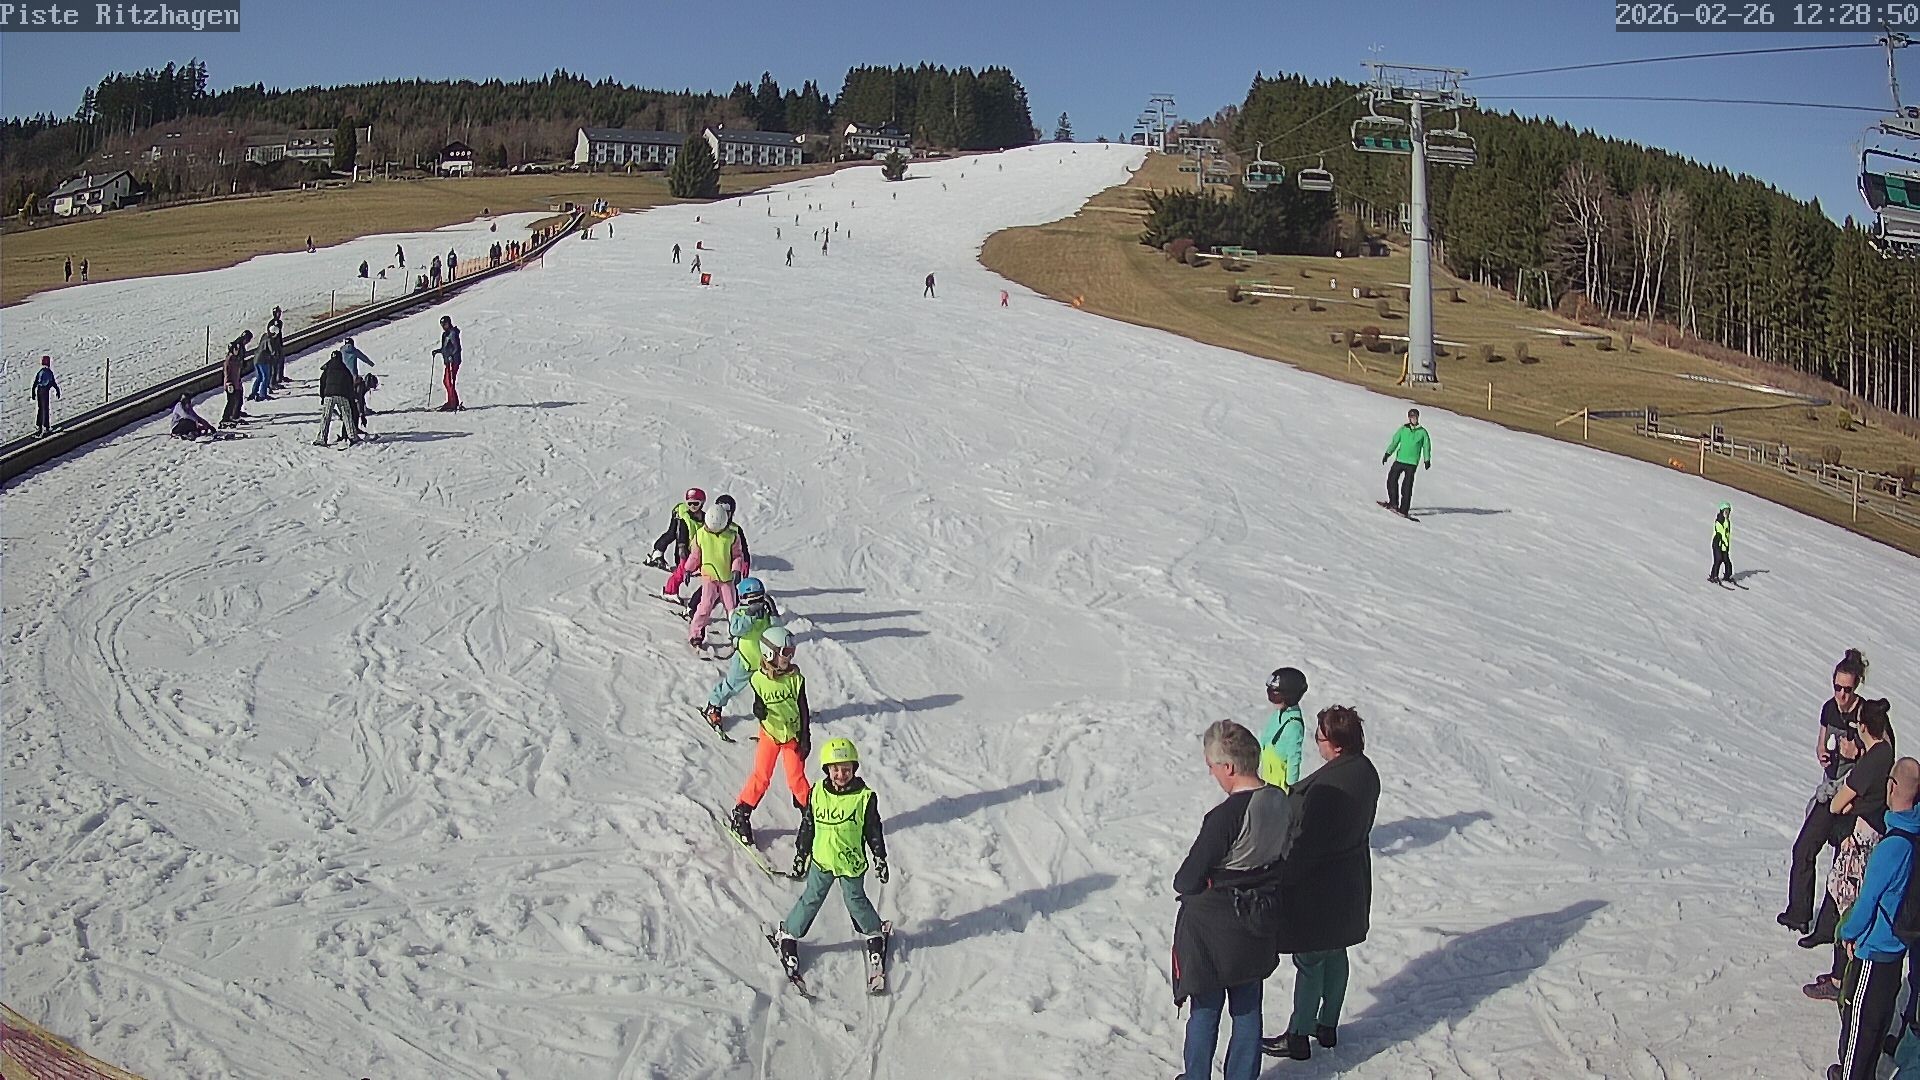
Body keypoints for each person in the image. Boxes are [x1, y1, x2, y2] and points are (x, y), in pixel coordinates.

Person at [1172, 720, 1287, 1080]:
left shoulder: (1225, 816)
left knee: (1206, 1009)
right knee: (1248, 1007)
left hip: (1215, 928)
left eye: (1213, 766)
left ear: (1230, 767)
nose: (1212, 773)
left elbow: (1186, 879)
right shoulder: (1279, 800)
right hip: (1259, 918)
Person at [1265, 705, 1382, 1062]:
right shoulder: (1366, 772)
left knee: (1311, 959)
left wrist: (1282, 879)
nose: (1316, 742)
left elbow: (1305, 846)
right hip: (1350, 882)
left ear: (1336, 744)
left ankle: (1298, 1035)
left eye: (1320, 737)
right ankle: (1327, 1025)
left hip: (1319, 888)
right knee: (1336, 952)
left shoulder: (1325, 788)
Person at [1832, 757, 1920, 1080]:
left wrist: (1847, 933)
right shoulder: (1915, 836)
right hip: (1897, 949)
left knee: (1859, 1031)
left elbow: (1867, 902)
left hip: (1874, 950)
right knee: (1879, 1023)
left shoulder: (1891, 846)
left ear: (1892, 787)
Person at [1807, 698, 1897, 1002]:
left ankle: (1840, 979)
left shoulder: (1871, 761)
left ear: (1863, 727)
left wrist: (1847, 805)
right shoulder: (1886, 752)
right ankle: (1842, 974)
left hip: (1859, 844)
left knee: (1845, 906)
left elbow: (1836, 803)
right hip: (1873, 835)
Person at [774, 738, 890, 968]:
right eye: (835, 769)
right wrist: (801, 854)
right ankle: (788, 933)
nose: (840, 774)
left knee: (855, 900)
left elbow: (873, 830)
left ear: (854, 769)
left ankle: (874, 932)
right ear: (827, 769)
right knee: (811, 898)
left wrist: (880, 857)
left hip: (851, 862)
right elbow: (808, 825)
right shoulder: (817, 792)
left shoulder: (864, 797)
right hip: (822, 860)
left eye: (846, 769)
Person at [1783, 650, 1873, 940]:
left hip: (1852, 798)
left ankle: (1828, 928)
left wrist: (1857, 753)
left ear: (1856, 686)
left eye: (1847, 689)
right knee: (1804, 849)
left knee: (1840, 863)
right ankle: (1799, 914)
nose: (1842, 695)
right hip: (1829, 791)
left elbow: (1878, 758)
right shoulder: (1829, 709)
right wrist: (1822, 752)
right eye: (1837, 688)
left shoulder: (1865, 716)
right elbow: (1822, 740)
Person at [729, 625, 812, 846]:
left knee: (796, 779)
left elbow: (803, 709)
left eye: (791, 653)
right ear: (769, 653)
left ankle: (811, 815)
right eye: (785, 653)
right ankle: (742, 812)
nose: (789, 658)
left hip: (792, 735)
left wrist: (805, 736)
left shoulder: (795, 679)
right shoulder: (758, 679)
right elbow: (759, 702)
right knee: (762, 776)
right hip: (769, 734)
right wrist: (759, 710)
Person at [702, 576, 783, 735]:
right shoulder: (739, 614)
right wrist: (750, 615)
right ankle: (714, 706)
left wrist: (773, 613)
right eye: (753, 599)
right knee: (731, 686)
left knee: (768, 690)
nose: (756, 603)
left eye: (759, 599)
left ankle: (773, 717)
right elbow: (736, 629)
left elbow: (778, 631)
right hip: (744, 660)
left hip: (764, 662)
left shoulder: (765, 614)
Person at [682, 502, 746, 648]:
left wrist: (736, 569)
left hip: (726, 579)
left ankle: (737, 635)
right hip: (709, 577)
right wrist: (688, 569)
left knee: (732, 608)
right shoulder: (701, 535)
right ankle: (696, 634)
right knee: (705, 606)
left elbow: (737, 555)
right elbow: (695, 556)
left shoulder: (732, 537)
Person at [1258, 668, 1309, 793]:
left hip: (1280, 789)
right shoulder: (1278, 714)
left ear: (1290, 697)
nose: (1272, 700)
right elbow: (1265, 740)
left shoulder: (1294, 726)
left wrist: (1291, 789)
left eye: (1275, 697)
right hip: (1266, 781)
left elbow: (1294, 759)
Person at [647, 487, 706, 587]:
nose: (692, 506)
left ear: (702, 503)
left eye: (696, 503)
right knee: (672, 534)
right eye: (689, 503)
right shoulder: (684, 517)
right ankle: (657, 553)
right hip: (678, 515)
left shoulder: (704, 518)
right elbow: (681, 539)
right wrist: (681, 556)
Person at [1380, 408, 1431, 517]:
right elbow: (1395, 442)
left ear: (1418, 418)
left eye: (1415, 417)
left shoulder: (1422, 432)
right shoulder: (1403, 429)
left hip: (1412, 463)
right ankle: (1393, 503)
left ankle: (1404, 510)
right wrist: (1388, 453)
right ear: (1409, 418)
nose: (1413, 419)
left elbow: (1426, 446)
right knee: (1391, 480)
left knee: (1407, 486)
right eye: (1411, 417)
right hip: (1400, 460)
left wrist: (1427, 460)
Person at [314, 349, 362, 447]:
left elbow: (322, 383)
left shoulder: (327, 370)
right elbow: (349, 384)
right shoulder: (344, 369)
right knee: (347, 416)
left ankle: (321, 439)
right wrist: (351, 398)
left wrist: (322, 396)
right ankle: (352, 436)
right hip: (342, 395)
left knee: (326, 417)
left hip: (328, 395)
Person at [340, 337, 375, 426]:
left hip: (344, 375)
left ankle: (345, 411)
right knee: (359, 394)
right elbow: (362, 357)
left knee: (348, 394)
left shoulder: (341, 351)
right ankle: (362, 409)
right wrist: (370, 363)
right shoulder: (354, 350)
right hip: (353, 375)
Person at [220, 331, 252, 427]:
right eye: (236, 349)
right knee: (231, 401)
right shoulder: (229, 360)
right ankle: (226, 418)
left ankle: (234, 415)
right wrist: (229, 383)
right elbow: (227, 373)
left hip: (236, 383)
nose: (238, 351)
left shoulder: (235, 358)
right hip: (231, 384)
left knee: (237, 399)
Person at [432, 316, 462, 411]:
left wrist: (451, 356)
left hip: (453, 361)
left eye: (445, 324)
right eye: (442, 325)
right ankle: (452, 401)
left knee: (449, 381)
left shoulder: (453, 333)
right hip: (448, 361)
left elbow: (457, 347)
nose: (443, 326)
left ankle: (452, 403)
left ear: (449, 323)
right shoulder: (445, 334)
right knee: (446, 381)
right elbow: (445, 348)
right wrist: (438, 351)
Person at [32, 356, 60, 438]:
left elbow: (35, 383)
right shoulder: (48, 372)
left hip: (39, 391)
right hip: (45, 392)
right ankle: (46, 427)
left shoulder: (40, 372)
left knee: (40, 408)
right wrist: (57, 390)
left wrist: (33, 392)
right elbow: (53, 382)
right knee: (45, 409)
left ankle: (39, 425)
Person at [248, 323, 276, 401]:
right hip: (263, 360)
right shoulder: (270, 339)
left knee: (259, 377)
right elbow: (272, 351)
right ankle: (262, 394)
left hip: (256, 358)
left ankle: (253, 392)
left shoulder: (264, 336)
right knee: (266, 377)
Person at [1709, 502, 1734, 584]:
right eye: (1725, 511)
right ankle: (1713, 576)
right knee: (1718, 560)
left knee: (1727, 561)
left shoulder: (1727, 521)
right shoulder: (1719, 520)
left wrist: (1726, 546)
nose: (1727, 513)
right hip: (1718, 543)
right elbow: (1720, 533)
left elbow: (1727, 535)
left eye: (1728, 511)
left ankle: (1727, 576)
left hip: (1724, 545)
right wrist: (1721, 543)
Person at [267, 307, 287, 389]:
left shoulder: (279, 322)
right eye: (278, 313)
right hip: (274, 346)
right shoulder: (272, 323)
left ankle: (280, 377)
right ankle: (273, 382)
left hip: (279, 344)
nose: (280, 314)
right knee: (274, 364)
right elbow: (271, 336)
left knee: (281, 361)